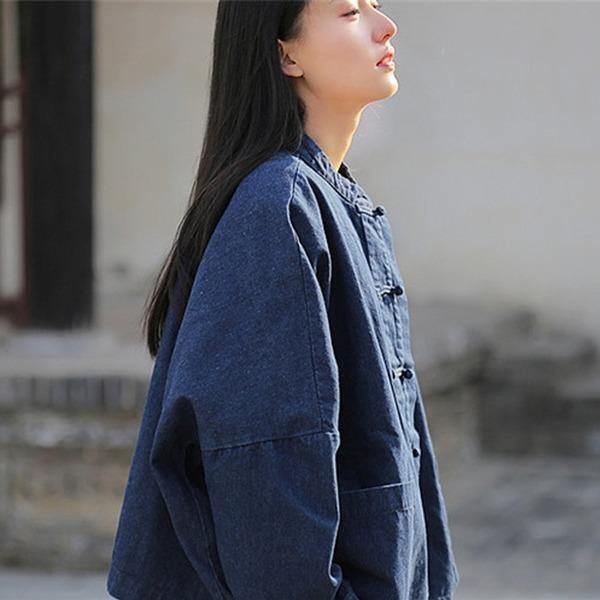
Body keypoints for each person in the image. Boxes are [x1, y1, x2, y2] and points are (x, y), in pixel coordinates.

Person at [107, 1, 460, 599]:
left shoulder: (327, 197)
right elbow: (266, 465)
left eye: (376, 5)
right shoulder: (277, 209)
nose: (385, 26)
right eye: (349, 11)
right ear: (286, 53)